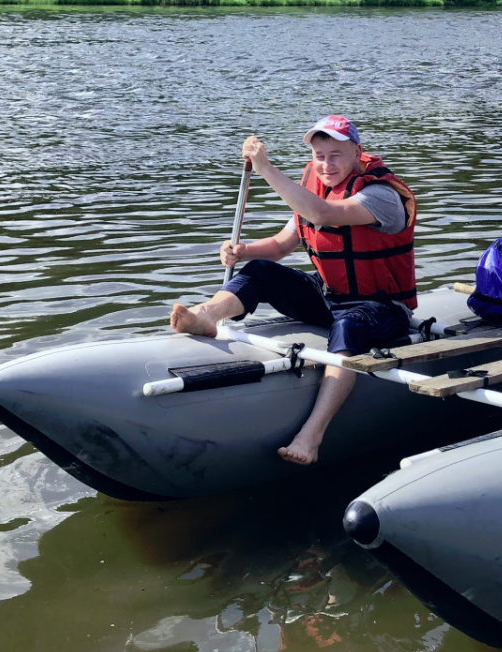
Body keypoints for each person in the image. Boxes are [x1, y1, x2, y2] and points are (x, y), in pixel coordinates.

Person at [169, 115, 418, 465]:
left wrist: (265, 167)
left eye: (335, 155)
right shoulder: (313, 187)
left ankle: (311, 435)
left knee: (349, 326)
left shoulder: (380, 195)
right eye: (319, 155)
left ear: (357, 153)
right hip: (330, 295)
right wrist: (244, 251)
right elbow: (281, 245)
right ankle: (206, 315)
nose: (325, 164)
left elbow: (322, 214)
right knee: (260, 270)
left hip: (382, 307)